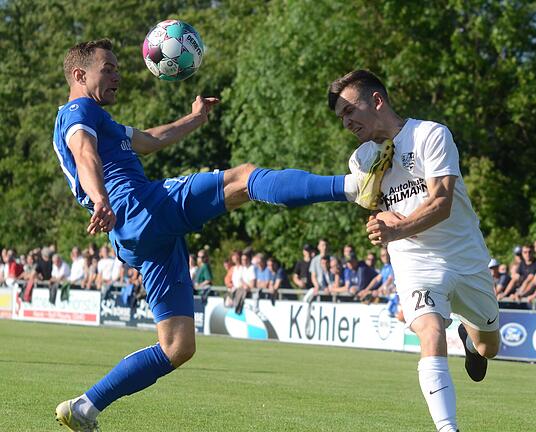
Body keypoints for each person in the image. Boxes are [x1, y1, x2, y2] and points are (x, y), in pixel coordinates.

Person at [53, 40, 368, 431]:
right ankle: (354, 187)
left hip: (136, 234)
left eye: (118, 68)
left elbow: (150, 141)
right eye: (109, 68)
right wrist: (101, 197)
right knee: (244, 177)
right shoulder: (78, 111)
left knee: (177, 346)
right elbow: (85, 154)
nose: (118, 75)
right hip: (140, 208)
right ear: (80, 75)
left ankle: (86, 406)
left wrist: (196, 118)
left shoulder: (102, 122)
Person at [335, 69, 500, 432]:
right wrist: (381, 221)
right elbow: (377, 207)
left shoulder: (430, 134)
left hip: (464, 255)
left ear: (377, 100)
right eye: (341, 117)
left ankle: (471, 343)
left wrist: (397, 228)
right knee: (430, 331)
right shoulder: (361, 158)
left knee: (490, 346)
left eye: (350, 111)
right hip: (414, 260)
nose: (346, 122)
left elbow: (441, 204)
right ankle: (447, 428)